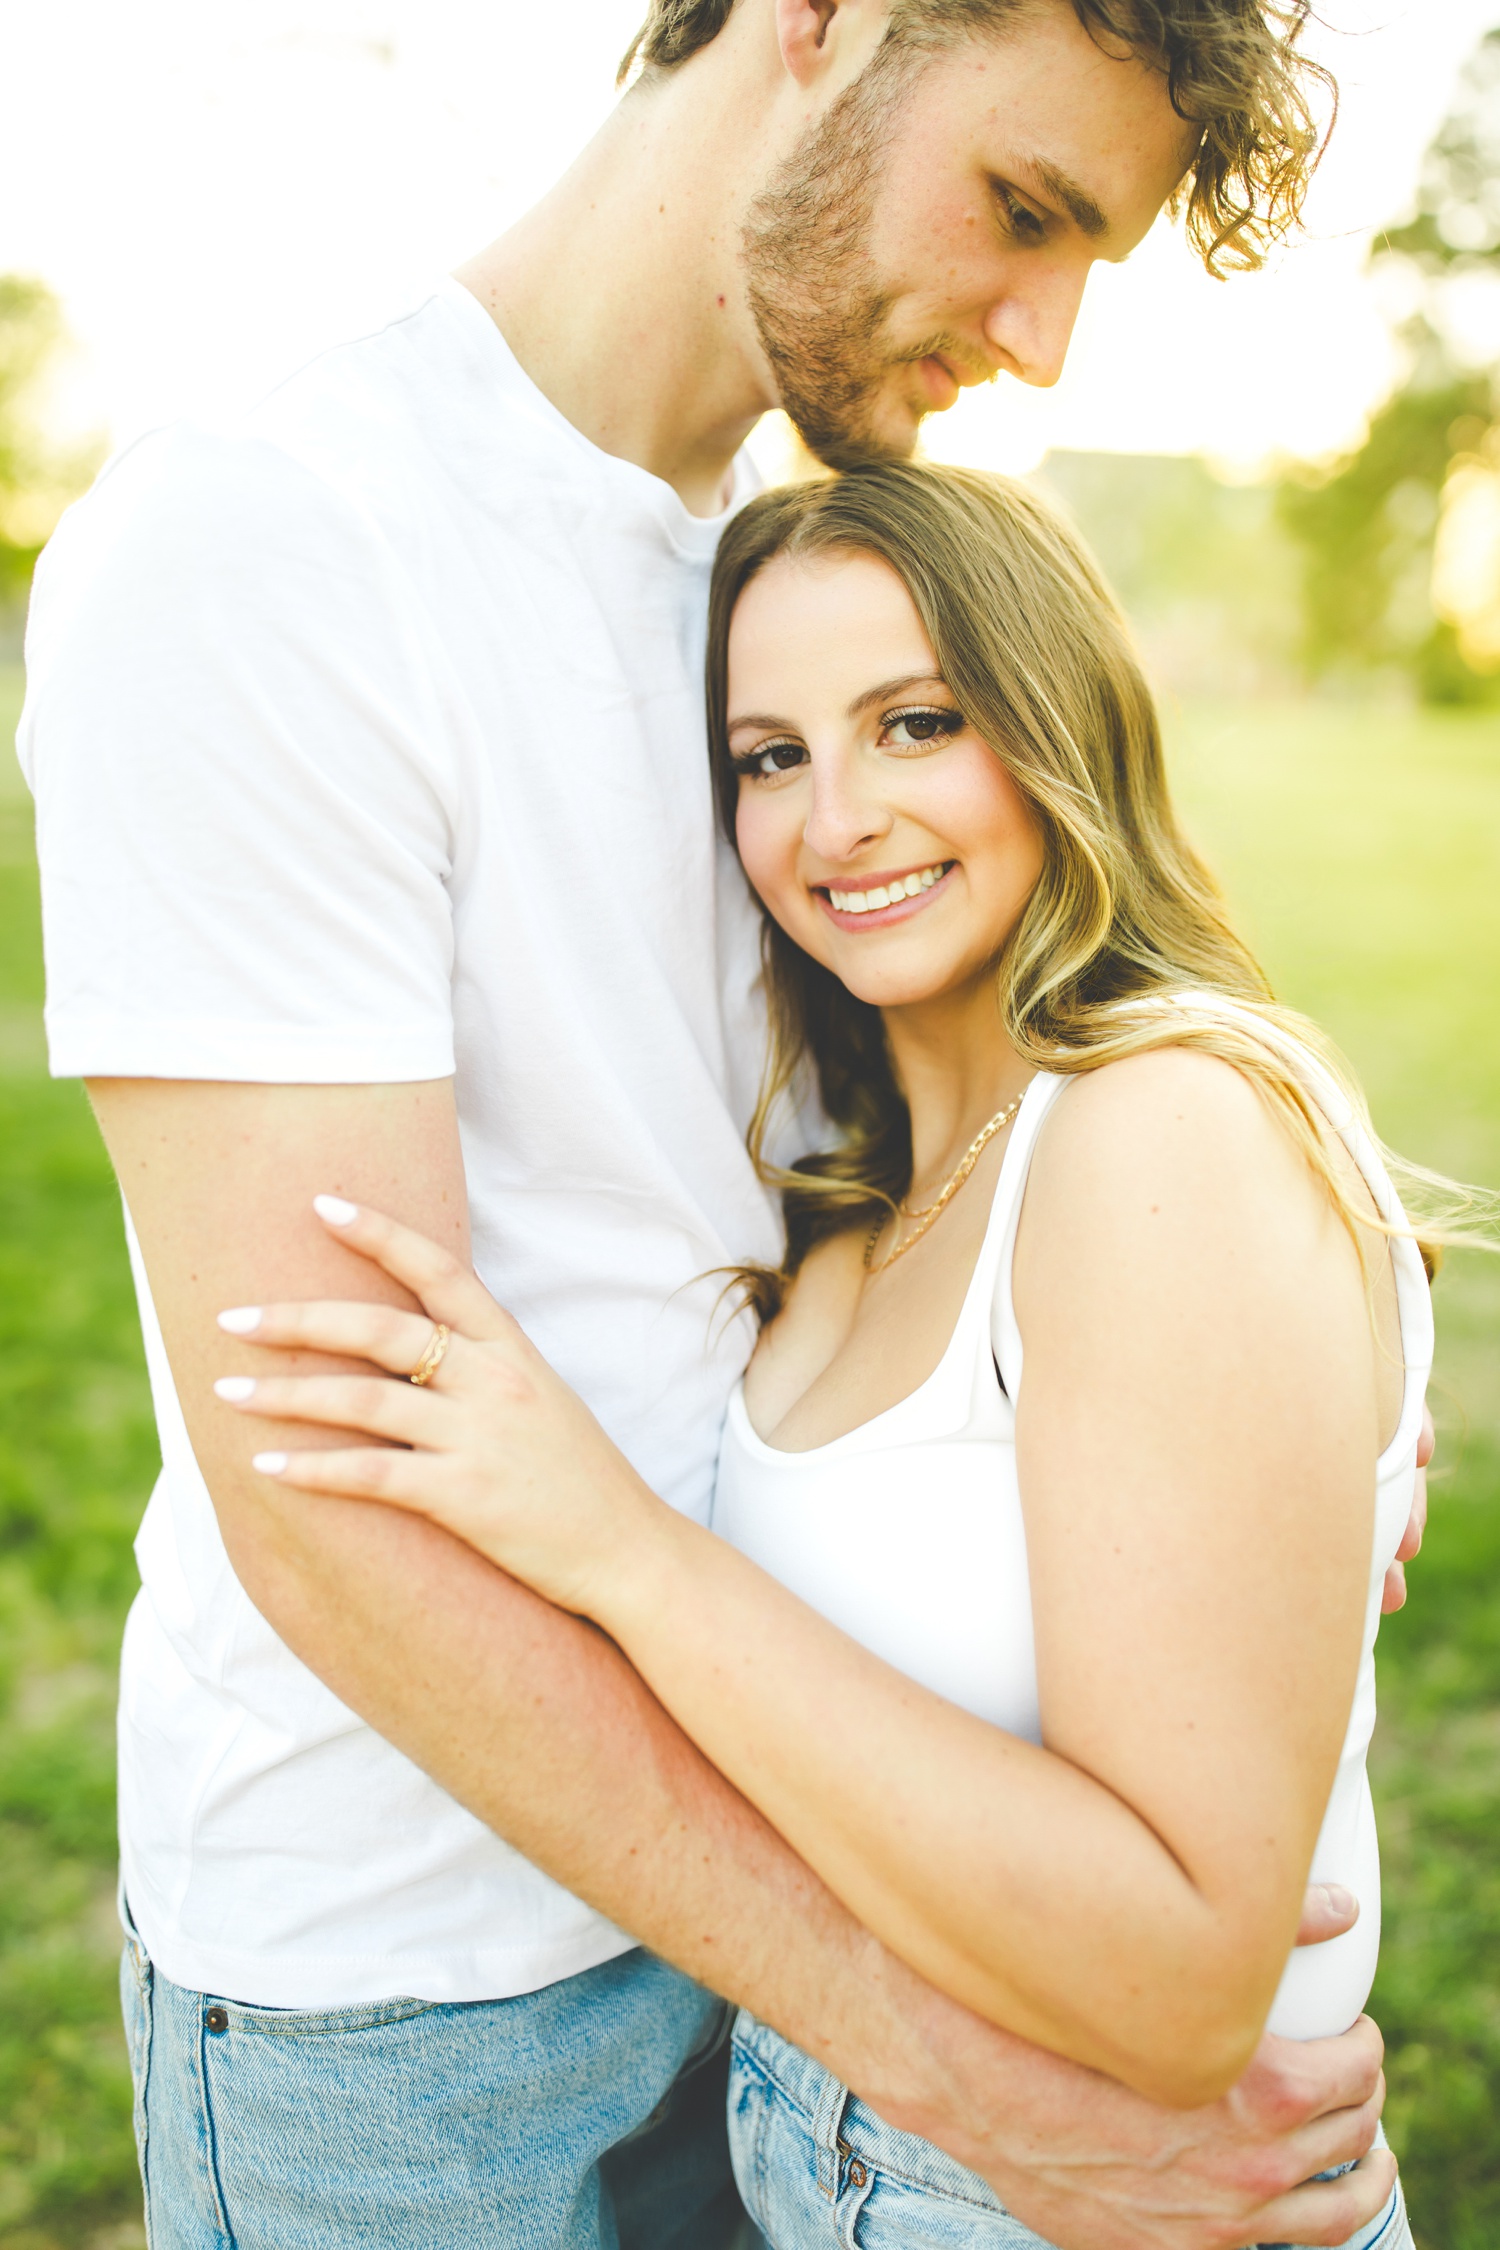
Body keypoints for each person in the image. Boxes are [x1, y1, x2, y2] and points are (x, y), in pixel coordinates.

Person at [18, 1, 1422, 2243]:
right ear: (819, 22)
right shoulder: (279, 540)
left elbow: (922, 1141)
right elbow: (335, 1509)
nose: (1046, 342)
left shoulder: (775, 588)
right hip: (417, 2014)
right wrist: (958, 2073)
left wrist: (1256, 1425)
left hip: (788, 1930)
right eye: (1026, 208)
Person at [212, 460, 1446, 2250]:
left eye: (916, 721)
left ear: (1057, 725)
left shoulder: (1154, 1131)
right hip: (835, 2162)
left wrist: (623, 1554)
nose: (837, 817)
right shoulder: (852, 1199)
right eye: (770, 755)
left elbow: (1184, 1975)